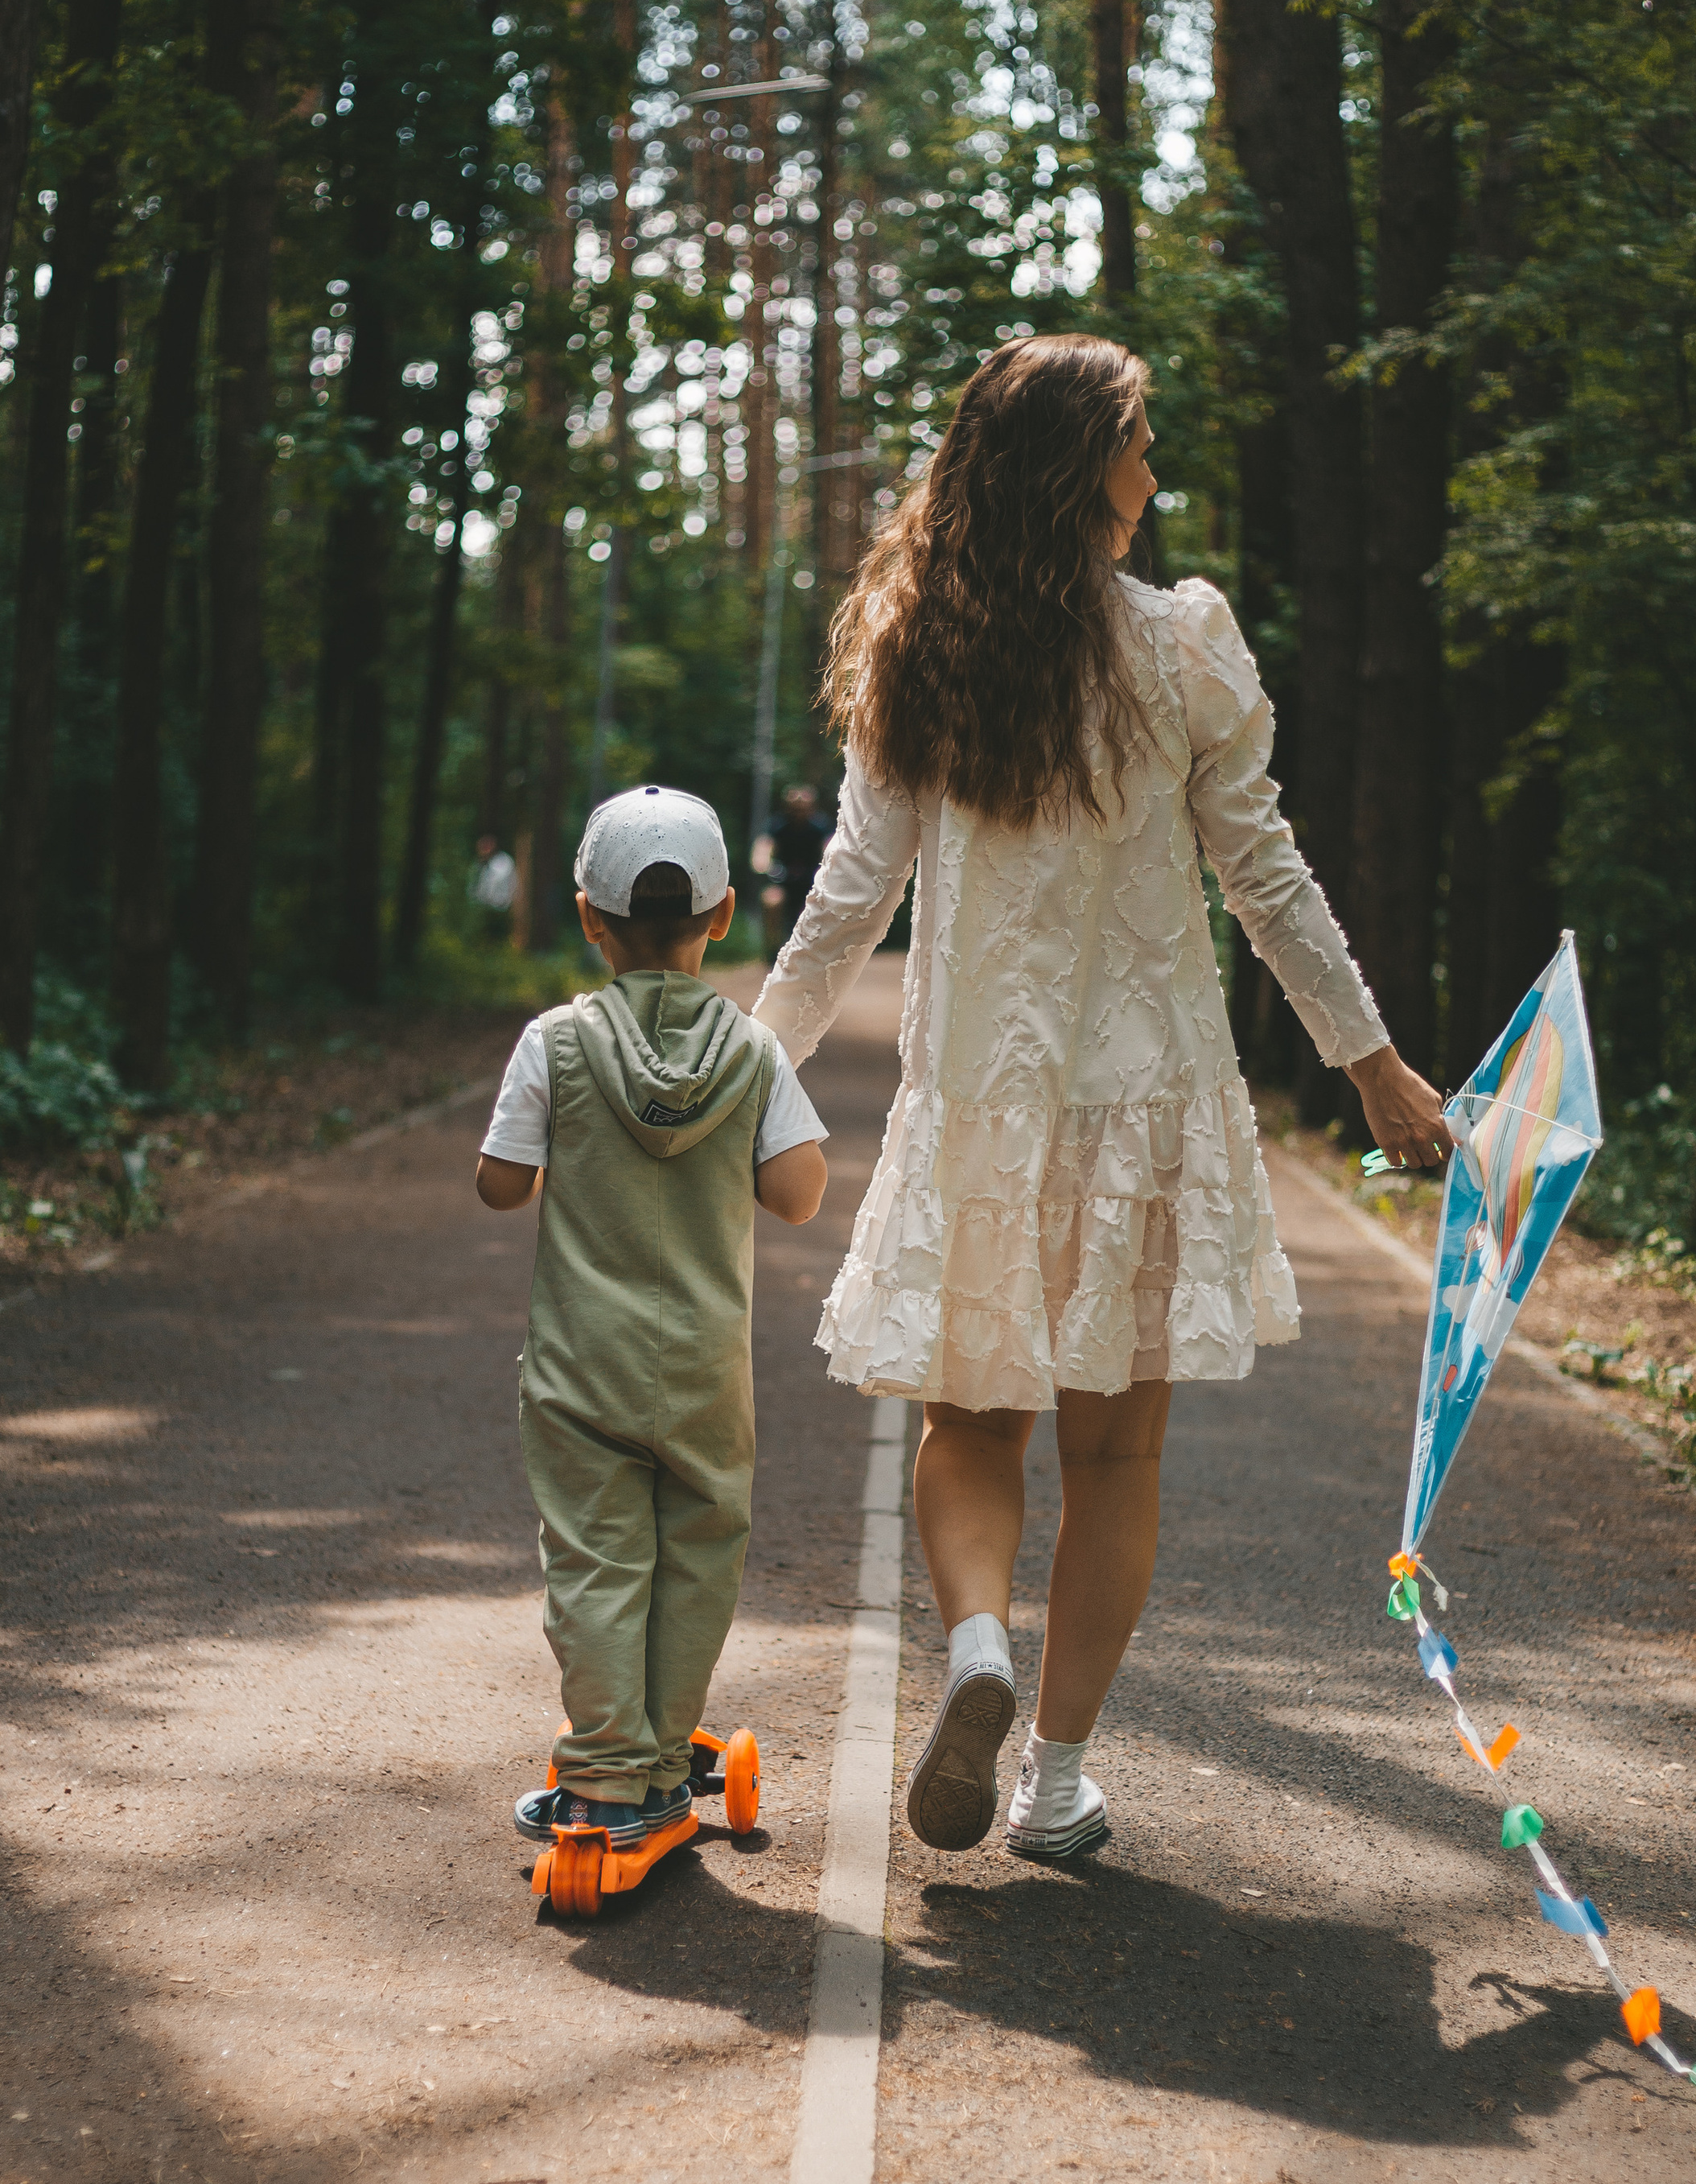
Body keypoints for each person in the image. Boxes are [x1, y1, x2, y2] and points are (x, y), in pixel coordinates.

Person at [754, 335, 1449, 1864]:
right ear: (1082, 471)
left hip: (982, 1113)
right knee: (1117, 1457)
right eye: (1139, 445)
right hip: (1147, 1111)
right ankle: (1054, 1777)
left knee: (970, 1425)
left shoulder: (921, 649)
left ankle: (980, 1649)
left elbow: (846, 901)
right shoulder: (1184, 643)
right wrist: (1373, 1061)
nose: (1156, 474)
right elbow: (1264, 876)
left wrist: (750, 1071)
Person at [479, 786, 829, 1844]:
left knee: (594, 1562)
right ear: (724, 916)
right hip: (705, 1375)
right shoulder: (754, 1052)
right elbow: (799, 1194)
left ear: (590, 917)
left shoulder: (556, 1041)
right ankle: (666, 1762)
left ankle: (602, 1774)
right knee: (695, 1561)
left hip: (583, 1369)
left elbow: (502, 1184)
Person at [759, 782, 832, 961]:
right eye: (795, 808)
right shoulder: (777, 825)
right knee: (771, 902)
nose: (799, 811)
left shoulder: (820, 826)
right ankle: (772, 950)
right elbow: (763, 849)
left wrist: (828, 866)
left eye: (803, 808)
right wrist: (763, 864)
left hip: (812, 882)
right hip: (783, 880)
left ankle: (818, 951)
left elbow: (830, 848)